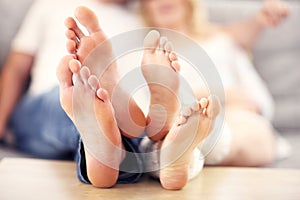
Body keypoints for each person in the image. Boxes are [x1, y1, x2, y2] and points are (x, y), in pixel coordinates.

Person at [58, 6, 220, 190]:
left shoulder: (220, 40)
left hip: (86, 95)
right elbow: (17, 66)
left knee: (87, 106)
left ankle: (118, 152)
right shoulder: (142, 31)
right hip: (90, 93)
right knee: (90, 103)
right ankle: (125, 144)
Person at [139, 0, 290, 167]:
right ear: (146, 9)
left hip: (233, 113)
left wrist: (219, 96)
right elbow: (143, 107)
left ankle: (191, 144)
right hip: (178, 117)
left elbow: (258, 99)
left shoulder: (222, 43)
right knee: (165, 130)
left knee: (253, 134)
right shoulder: (147, 56)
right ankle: (186, 142)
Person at [0, 0, 145, 158]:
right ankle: (106, 134)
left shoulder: (141, 17)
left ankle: (106, 148)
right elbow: (17, 67)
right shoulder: (51, 4)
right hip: (44, 103)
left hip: (109, 105)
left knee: (122, 125)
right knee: (73, 101)